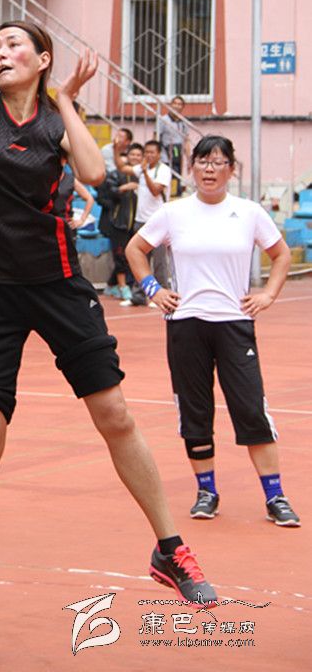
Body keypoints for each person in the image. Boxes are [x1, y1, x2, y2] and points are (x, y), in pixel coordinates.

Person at [0, 0, 216, 654]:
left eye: (16, 44)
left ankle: (169, 548)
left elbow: (94, 172)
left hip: (59, 285)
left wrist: (66, 99)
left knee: (116, 415)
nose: (1, 51)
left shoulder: (52, 121)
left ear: (41, 60)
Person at [126, 135, 299, 528]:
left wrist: (268, 295)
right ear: (192, 169)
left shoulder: (249, 212)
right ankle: (206, 491)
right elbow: (136, 249)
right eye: (203, 162)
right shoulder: (173, 213)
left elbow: (281, 254)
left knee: (251, 408)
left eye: (218, 162)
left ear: (231, 170)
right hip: (186, 323)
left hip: (234, 323)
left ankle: (275, 496)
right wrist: (153, 289)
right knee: (195, 410)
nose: (209, 169)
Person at [98, 142, 143, 304]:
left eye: (138, 155)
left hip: (136, 223)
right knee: (120, 256)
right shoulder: (116, 174)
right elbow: (105, 194)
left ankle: (112, 285)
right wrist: (124, 188)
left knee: (131, 257)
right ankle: (123, 287)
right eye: (133, 154)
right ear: (127, 156)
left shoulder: (144, 176)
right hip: (118, 223)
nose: (135, 157)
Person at [129, 139, 173, 296]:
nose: (148, 155)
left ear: (159, 154)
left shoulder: (164, 170)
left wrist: (146, 173)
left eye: (152, 152)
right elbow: (123, 168)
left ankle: (163, 291)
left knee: (159, 260)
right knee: (139, 258)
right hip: (140, 220)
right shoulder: (141, 168)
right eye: (146, 152)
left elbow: (155, 191)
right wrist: (116, 149)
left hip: (158, 221)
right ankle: (139, 295)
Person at [158, 95, 192, 197]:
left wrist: (189, 158)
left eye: (180, 104)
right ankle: (166, 194)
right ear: (170, 105)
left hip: (178, 151)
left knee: (177, 174)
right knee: (167, 173)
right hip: (165, 151)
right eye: (175, 103)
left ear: (182, 107)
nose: (177, 106)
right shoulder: (163, 120)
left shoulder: (183, 122)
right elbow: (157, 136)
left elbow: (186, 140)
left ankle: (175, 194)